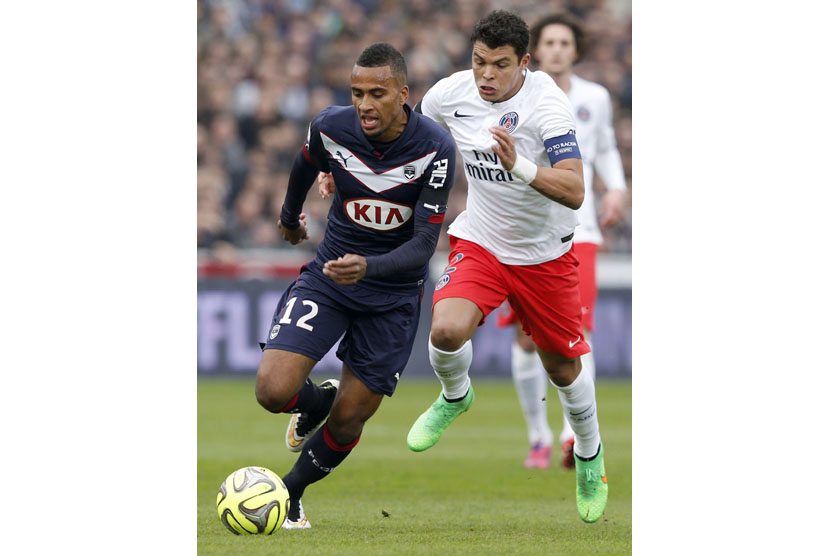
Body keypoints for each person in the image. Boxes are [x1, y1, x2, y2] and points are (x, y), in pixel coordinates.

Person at [406, 10, 607, 524]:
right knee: (447, 330)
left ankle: (589, 455)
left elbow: (575, 188)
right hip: (483, 242)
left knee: (563, 369)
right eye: (479, 63)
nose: (486, 76)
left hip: (545, 255)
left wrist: (517, 163)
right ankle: (456, 396)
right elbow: (411, 138)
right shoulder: (451, 93)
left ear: (524, 62)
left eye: (499, 65)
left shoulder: (548, 106)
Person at [254, 42, 456, 529]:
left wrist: (369, 266)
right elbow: (306, 162)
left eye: (377, 93)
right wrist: (288, 218)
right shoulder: (331, 125)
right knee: (271, 390)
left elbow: (425, 242)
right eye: (357, 92)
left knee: (348, 421)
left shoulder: (436, 148)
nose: (364, 103)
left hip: (392, 297)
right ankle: (314, 400)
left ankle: (291, 493)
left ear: (403, 94)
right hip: (330, 278)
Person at [499, 12, 629, 471]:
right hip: (525, 231)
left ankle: (572, 435)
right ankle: (537, 435)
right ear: (537, 52)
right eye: (549, 42)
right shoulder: (513, 96)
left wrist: (615, 187)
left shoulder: (594, 98)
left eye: (564, 43)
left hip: (581, 230)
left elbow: (607, 146)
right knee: (526, 338)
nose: (557, 49)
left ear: (576, 50)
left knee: (579, 331)